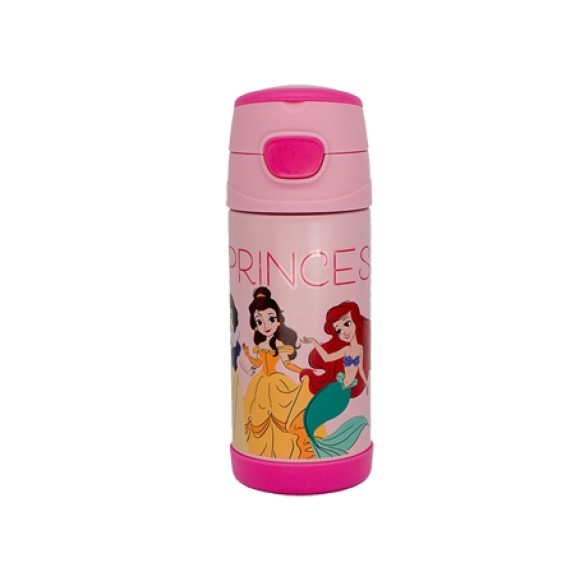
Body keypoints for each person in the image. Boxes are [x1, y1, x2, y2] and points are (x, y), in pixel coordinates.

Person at [243, 287, 316, 459]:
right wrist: (247, 355)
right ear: (255, 325)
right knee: (258, 418)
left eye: (271, 319)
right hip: (260, 383)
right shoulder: (260, 345)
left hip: (277, 384)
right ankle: (263, 454)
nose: (266, 325)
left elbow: (288, 364)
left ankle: (293, 453)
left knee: (283, 417)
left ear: (278, 321)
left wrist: (304, 371)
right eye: (259, 321)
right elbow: (258, 363)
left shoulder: (279, 344)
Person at [301, 301, 370, 458]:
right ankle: (318, 447)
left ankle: (326, 447)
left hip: (345, 392)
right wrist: (314, 343)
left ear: (356, 322)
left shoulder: (360, 348)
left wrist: (366, 383)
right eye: (339, 330)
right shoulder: (345, 349)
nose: (343, 332)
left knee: (321, 417)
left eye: (347, 324)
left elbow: (361, 368)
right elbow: (327, 357)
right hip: (337, 387)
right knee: (311, 416)